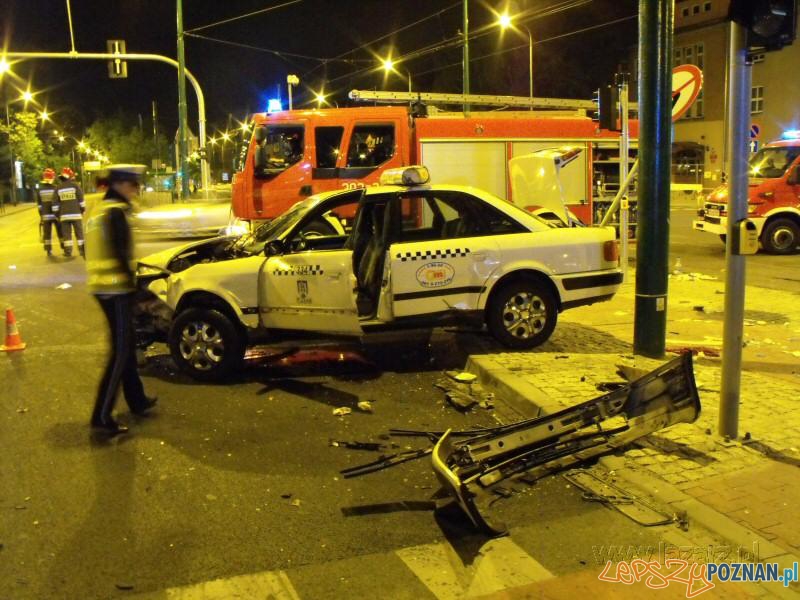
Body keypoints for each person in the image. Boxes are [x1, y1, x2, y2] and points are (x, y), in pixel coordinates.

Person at [84, 164, 156, 435]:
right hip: (116, 290)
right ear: (120, 185)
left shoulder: (100, 210)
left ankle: (137, 400)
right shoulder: (115, 212)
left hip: (103, 288)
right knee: (121, 352)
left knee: (124, 347)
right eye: (133, 184)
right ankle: (102, 416)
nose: (136, 189)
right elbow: (120, 253)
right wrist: (135, 291)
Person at [54, 167, 86, 257]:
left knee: (66, 235)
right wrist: (82, 209)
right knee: (79, 233)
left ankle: (68, 252)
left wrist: (57, 214)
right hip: (76, 215)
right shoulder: (75, 185)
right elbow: (81, 199)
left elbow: (55, 204)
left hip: (64, 216)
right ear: (70, 176)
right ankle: (82, 250)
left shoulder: (58, 188)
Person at [35, 168, 62, 256]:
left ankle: (48, 250)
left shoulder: (40, 190)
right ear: (52, 177)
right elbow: (59, 202)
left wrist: (41, 215)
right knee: (60, 231)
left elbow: (39, 205)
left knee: (47, 234)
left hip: (46, 216)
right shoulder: (56, 188)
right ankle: (64, 246)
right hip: (55, 215)